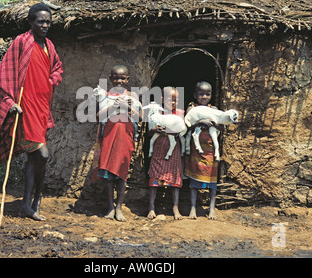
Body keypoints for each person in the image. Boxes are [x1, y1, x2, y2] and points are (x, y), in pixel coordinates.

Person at [0, 3, 63, 221]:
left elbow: (57, 68)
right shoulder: (21, 43)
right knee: (42, 154)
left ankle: (28, 203)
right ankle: (35, 199)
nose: (45, 25)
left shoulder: (49, 46)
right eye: (41, 21)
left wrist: (50, 80)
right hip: (24, 109)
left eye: (48, 22)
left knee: (35, 159)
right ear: (30, 22)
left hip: (41, 108)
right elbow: (2, 77)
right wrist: (9, 102)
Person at [95, 65, 140, 222]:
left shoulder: (132, 95)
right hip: (109, 135)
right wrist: (113, 106)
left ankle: (119, 208)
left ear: (127, 79)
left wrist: (127, 108)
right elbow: (98, 117)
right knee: (108, 173)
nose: (119, 80)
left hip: (125, 136)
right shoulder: (105, 96)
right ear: (110, 79)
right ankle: (110, 208)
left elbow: (139, 117)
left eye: (122, 78)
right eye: (116, 77)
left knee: (121, 172)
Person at [184, 81, 223, 220]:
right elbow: (186, 125)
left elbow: (222, 127)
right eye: (201, 94)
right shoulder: (192, 108)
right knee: (194, 179)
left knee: (212, 180)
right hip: (196, 150)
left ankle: (211, 208)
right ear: (195, 95)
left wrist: (214, 124)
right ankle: (193, 208)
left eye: (208, 94)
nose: (204, 97)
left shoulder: (214, 109)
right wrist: (200, 123)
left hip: (211, 150)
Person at [147, 87, 184, 220]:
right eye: (170, 99)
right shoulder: (156, 112)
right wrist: (155, 129)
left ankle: (175, 207)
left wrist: (168, 129)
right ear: (162, 99)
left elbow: (181, 130)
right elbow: (149, 131)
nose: (173, 103)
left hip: (173, 150)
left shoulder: (179, 113)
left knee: (174, 176)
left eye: (176, 100)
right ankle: (151, 206)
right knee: (155, 176)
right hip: (158, 148)